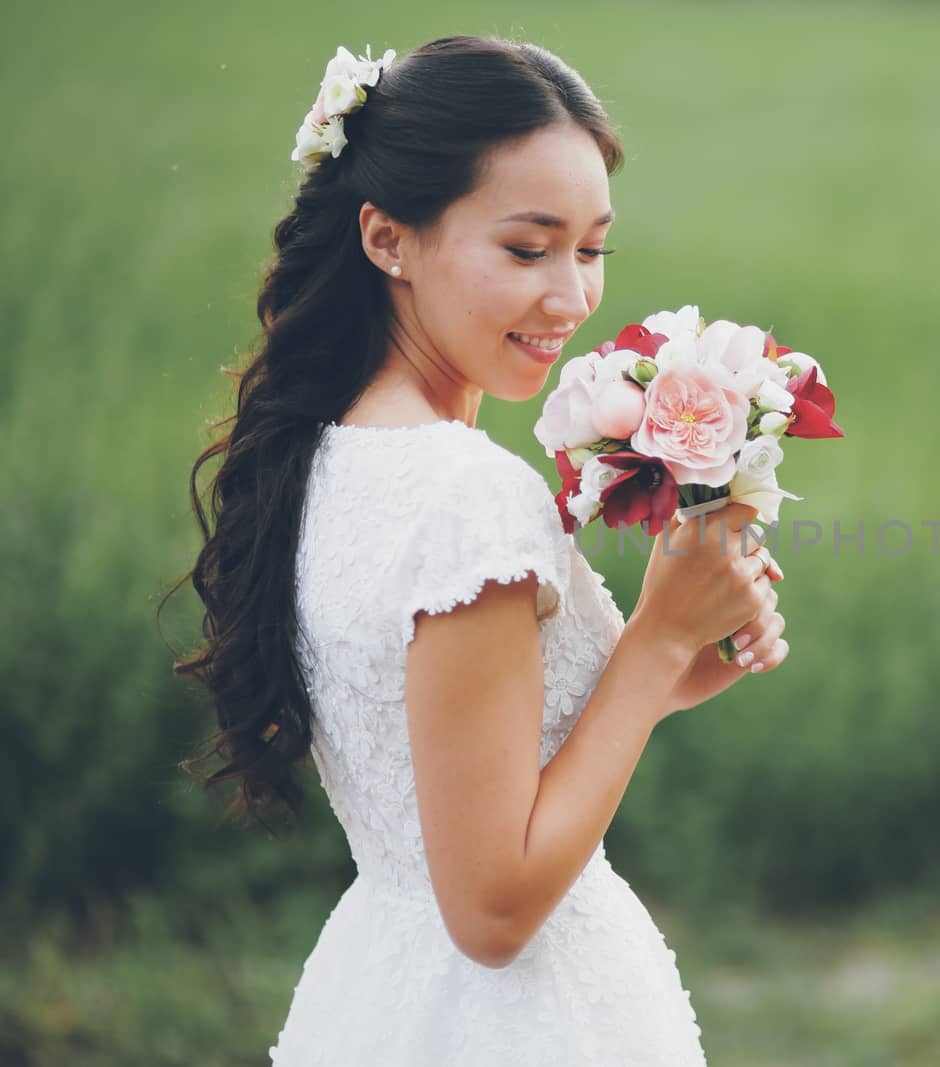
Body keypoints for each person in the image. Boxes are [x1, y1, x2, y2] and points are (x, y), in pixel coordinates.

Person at [173, 34, 789, 1065]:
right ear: (387, 238)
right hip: (520, 1019)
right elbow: (493, 911)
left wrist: (681, 661)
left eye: (591, 248)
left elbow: (465, 748)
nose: (571, 297)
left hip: (388, 985)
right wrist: (648, 643)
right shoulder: (466, 496)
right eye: (525, 247)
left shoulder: (333, 452)